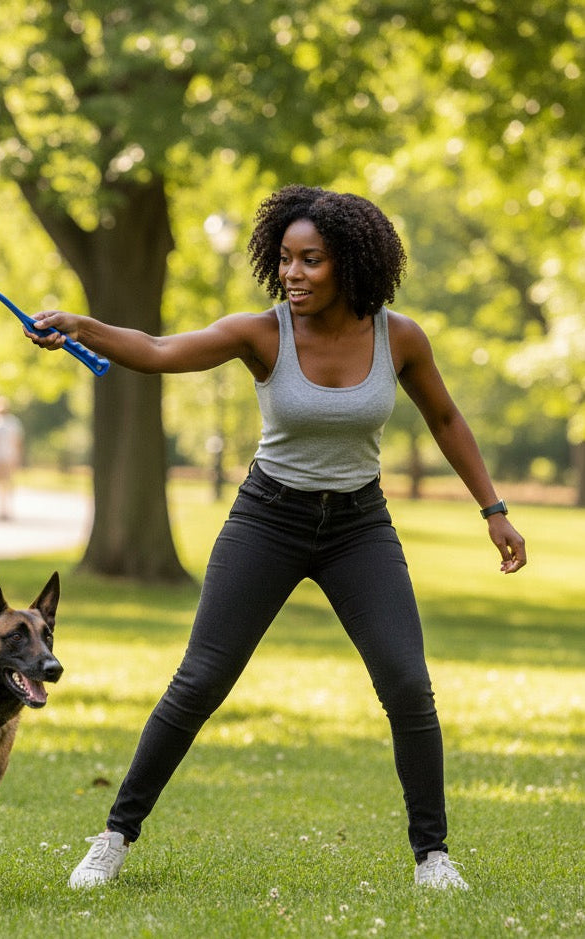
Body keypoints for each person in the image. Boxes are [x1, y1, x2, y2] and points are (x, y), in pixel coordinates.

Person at [26, 185, 526, 892]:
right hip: (268, 518)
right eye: (285, 259)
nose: (292, 273)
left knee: (408, 684)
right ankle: (112, 837)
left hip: (358, 526)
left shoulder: (398, 336)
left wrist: (493, 509)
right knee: (199, 680)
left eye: (310, 261)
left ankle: (432, 856)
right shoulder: (261, 334)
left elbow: (444, 419)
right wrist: (81, 326)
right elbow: (160, 349)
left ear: (348, 263)